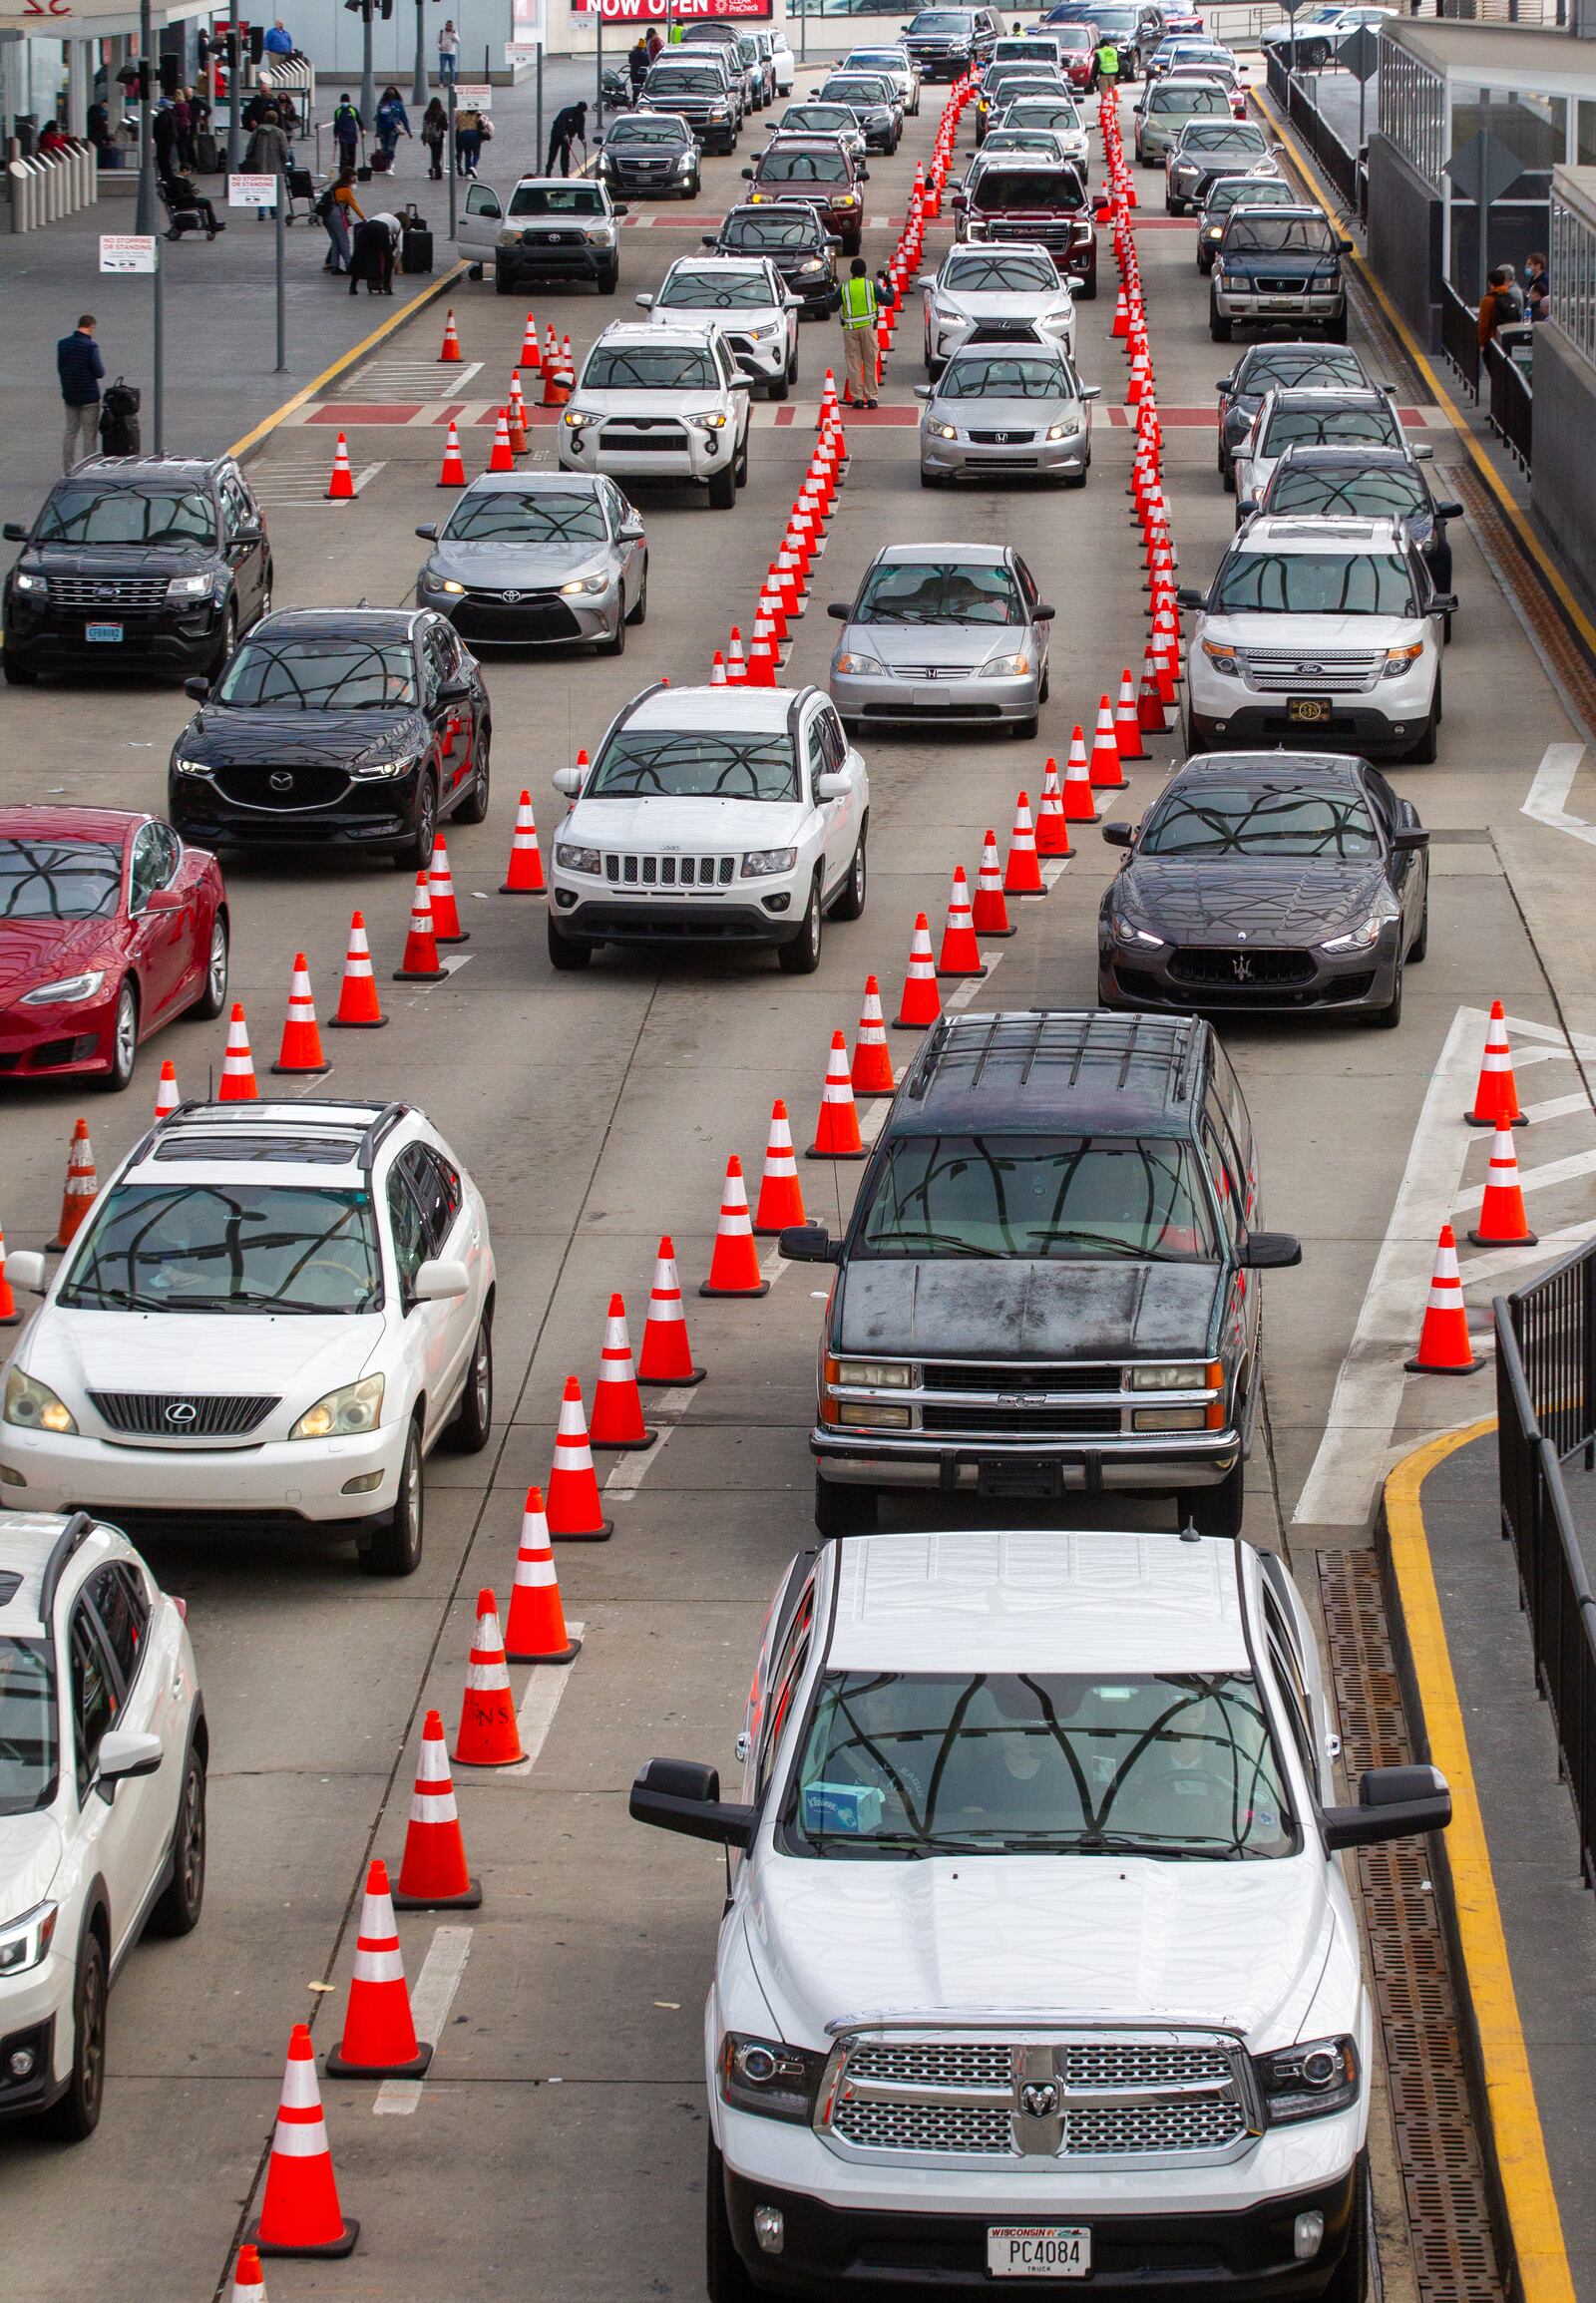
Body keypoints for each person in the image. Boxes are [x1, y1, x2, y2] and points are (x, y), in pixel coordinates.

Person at [58, 315, 105, 473]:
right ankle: (88, 469)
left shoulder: (62, 345)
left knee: (71, 432)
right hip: (89, 397)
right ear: (91, 326)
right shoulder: (91, 347)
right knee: (89, 433)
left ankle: (68, 469)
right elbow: (99, 372)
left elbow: (61, 368)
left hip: (70, 396)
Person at [839, 253, 879, 409]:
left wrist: (830, 288)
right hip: (868, 329)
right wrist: (888, 284)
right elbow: (889, 299)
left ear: (851, 271)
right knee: (870, 362)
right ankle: (872, 398)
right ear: (865, 271)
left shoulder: (845, 288)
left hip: (850, 330)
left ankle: (857, 399)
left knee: (854, 364)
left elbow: (832, 305)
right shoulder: (871, 286)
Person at [245, 107, 289, 218]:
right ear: (276, 120)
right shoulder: (280, 133)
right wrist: (286, 160)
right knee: (273, 188)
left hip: (259, 164)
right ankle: (274, 211)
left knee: (261, 188)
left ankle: (261, 212)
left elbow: (250, 147)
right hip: (276, 165)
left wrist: (250, 157)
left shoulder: (258, 131)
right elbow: (284, 150)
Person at [320, 165, 363, 271]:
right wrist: (363, 218)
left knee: (335, 241)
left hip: (327, 215)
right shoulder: (346, 190)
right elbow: (354, 205)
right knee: (344, 241)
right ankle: (350, 266)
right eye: (354, 177)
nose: (355, 180)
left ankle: (335, 266)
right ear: (349, 177)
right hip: (336, 215)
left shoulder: (335, 186)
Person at [160, 168, 223, 236]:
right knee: (206, 203)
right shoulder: (178, 181)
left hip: (182, 201)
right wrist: (192, 194)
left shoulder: (177, 180)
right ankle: (213, 224)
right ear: (184, 170)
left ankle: (213, 223)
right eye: (189, 171)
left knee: (206, 202)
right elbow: (180, 195)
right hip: (182, 202)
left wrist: (192, 192)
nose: (190, 174)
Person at [1476, 264, 1516, 349]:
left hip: (1493, 342)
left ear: (1490, 283)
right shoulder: (1510, 297)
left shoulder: (1488, 300)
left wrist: (1482, 343)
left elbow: (1483, 324)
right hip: (1509, 340)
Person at [547, 97, 587, 177]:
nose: (581, 113)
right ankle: (548, 171)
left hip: (569, 137)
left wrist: (582, 139)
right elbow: (560, 124)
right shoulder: (566, 112)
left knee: (565, 155)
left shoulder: (581, 117)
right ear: (577, 108)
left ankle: (565, 173)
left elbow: (580, 129)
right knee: (553, 153)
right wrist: (564, 134)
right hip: (557, 135)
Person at [375, 85, 411, 162]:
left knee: (390, 147)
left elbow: (403, 117)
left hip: (394, 129)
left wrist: (408, 131)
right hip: (383, 129)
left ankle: (390, 165)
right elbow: (378, 118)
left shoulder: (398, 104)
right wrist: (378, 131)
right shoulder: (382, 104)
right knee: (384, 148)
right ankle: (385, 164)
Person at [331, 93, 362, 171]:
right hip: (343, 136)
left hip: (352, 136)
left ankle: (351, 172)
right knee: (344, 156)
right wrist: (335, 136)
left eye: (345, 101)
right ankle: (342, 173)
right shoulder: (338, 111)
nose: (344, 103)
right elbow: (336, 125)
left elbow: (359, 121)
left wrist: (363, 129)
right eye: (343, 101)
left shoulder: (353, 110)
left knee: (352, 157)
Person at [422, 96, 447, 180]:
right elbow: (445, 127)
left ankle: (437, 173)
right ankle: (435, 171)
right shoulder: (441, 113)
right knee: (438, 155)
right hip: (438, 137)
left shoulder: (427, 113)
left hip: (429, 137)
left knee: (434, 154)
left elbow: (424, 125)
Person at [455, 100, 483, 175]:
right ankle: (473, 166)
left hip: (463, 133)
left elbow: (456, 122)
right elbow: (482, 122)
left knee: (467, 154)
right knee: (476, 153)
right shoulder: (477, 113)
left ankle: (467, 172)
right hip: (474, 133)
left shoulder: (459, 112)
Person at [1525, 250, 1549, 321]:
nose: (1526, 267)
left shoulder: (1545, 279)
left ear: (1538, 266)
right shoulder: (1531, 279)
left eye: (1529, 265)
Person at [437, 18, 459, 85]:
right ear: (445, 25)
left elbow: (458, 41)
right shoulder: (441, 32)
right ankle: (441, 82)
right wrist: (439, 47)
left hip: (452, 53)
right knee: (442, 68)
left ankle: (452, 82)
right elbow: (438, 41)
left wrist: (453, 34)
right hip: (443, 53)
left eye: (451, 26)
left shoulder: (454, 32)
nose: (449, 27)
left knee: (452, 68)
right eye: (448, 25)